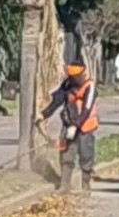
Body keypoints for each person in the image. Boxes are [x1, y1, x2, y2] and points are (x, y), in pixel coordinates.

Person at [36, 61, 99, 193]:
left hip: (85, 126)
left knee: (86, 155)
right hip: (68, 123)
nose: (77, 79)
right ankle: (65, 186)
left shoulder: (89, 86)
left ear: (83, 74)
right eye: (74, 77)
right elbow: (57, 101)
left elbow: (86, 109)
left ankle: (85, 186)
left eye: (79, 76)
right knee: (66, 154)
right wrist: (43, 114)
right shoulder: (67, 85)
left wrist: (76, 126)